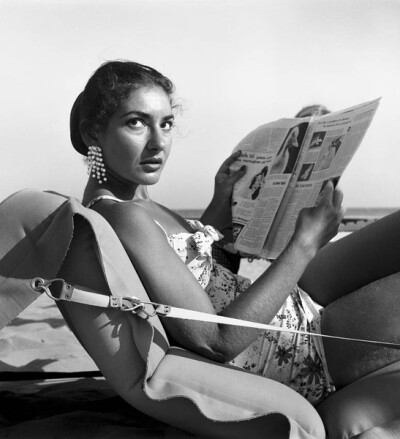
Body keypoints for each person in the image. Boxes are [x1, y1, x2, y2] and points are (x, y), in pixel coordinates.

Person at [66, 60, 400, 406]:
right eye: (136, 123)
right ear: (93, 133)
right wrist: (304, 243)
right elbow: (217, 340)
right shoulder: (122, 217)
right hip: (298, 345)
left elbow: (196, 277)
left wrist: (218, 206)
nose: (158, 143)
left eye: (166, 124)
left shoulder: (136, 204)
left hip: (286, 303)